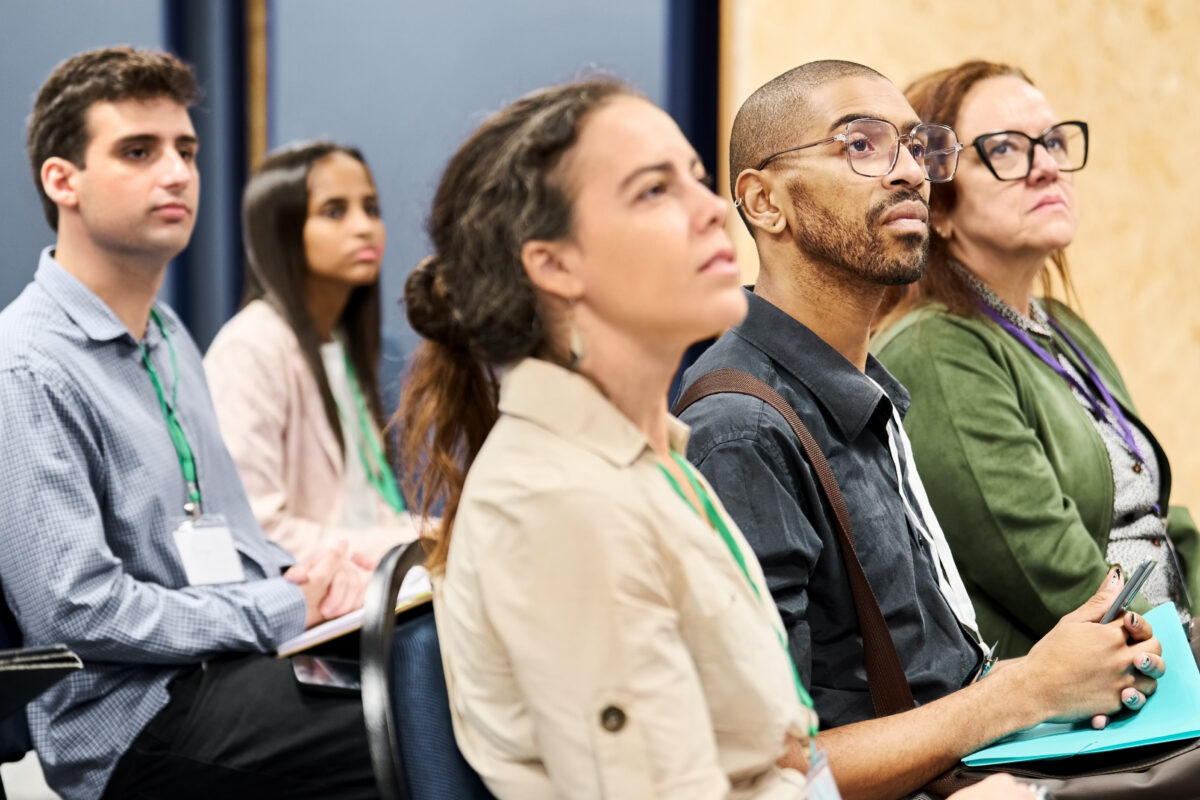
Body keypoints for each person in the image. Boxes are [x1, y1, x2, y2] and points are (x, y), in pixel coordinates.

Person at [394, 76, 1041, 800]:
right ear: (554, 264)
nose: (710, 211)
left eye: (697, 182)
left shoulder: (652, 463)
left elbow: (781, 760)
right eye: (653, 191)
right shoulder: (560, 502)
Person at [676, 59, 1163, 800]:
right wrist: (1026, 691)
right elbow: (766, 772)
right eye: (863, 146)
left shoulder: (861, 387)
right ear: (763, 202)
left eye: (917, 147)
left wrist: (1063, 672)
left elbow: (936, 676)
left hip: (989, 763)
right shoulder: (741, 430)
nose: (908, 173)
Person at [1, 47, 380, 799]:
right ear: (61, 180)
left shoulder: (168, 334)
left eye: (186, 150)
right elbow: (77, 611)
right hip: (135, 719)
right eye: (138, 152)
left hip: (231, 666)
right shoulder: (25, 367)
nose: (175, 173)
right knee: (419, 728)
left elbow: (235, 540)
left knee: (439, 671)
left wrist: (308, 579)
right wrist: (278, 606)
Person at [871, 60, 1200, 658]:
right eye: (1005, 149)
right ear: (937, 208)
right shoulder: (936, 351)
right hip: (1090, 709)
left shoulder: (1061, 324)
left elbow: (1158, 511)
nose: (1047, 165)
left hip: (1171, 661)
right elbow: (1058, 577)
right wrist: (1185, 656)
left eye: (1051, 141)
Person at [206, 141, 418, 565]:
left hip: (368, 593)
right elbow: (255, 530)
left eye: (371, 209)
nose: (364, 228)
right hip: (307, 613)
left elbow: (366, 505)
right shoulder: (248, 348)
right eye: (335, 211)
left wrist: (422, 534)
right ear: (281, 231)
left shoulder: (342, 342)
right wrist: (399, 545)